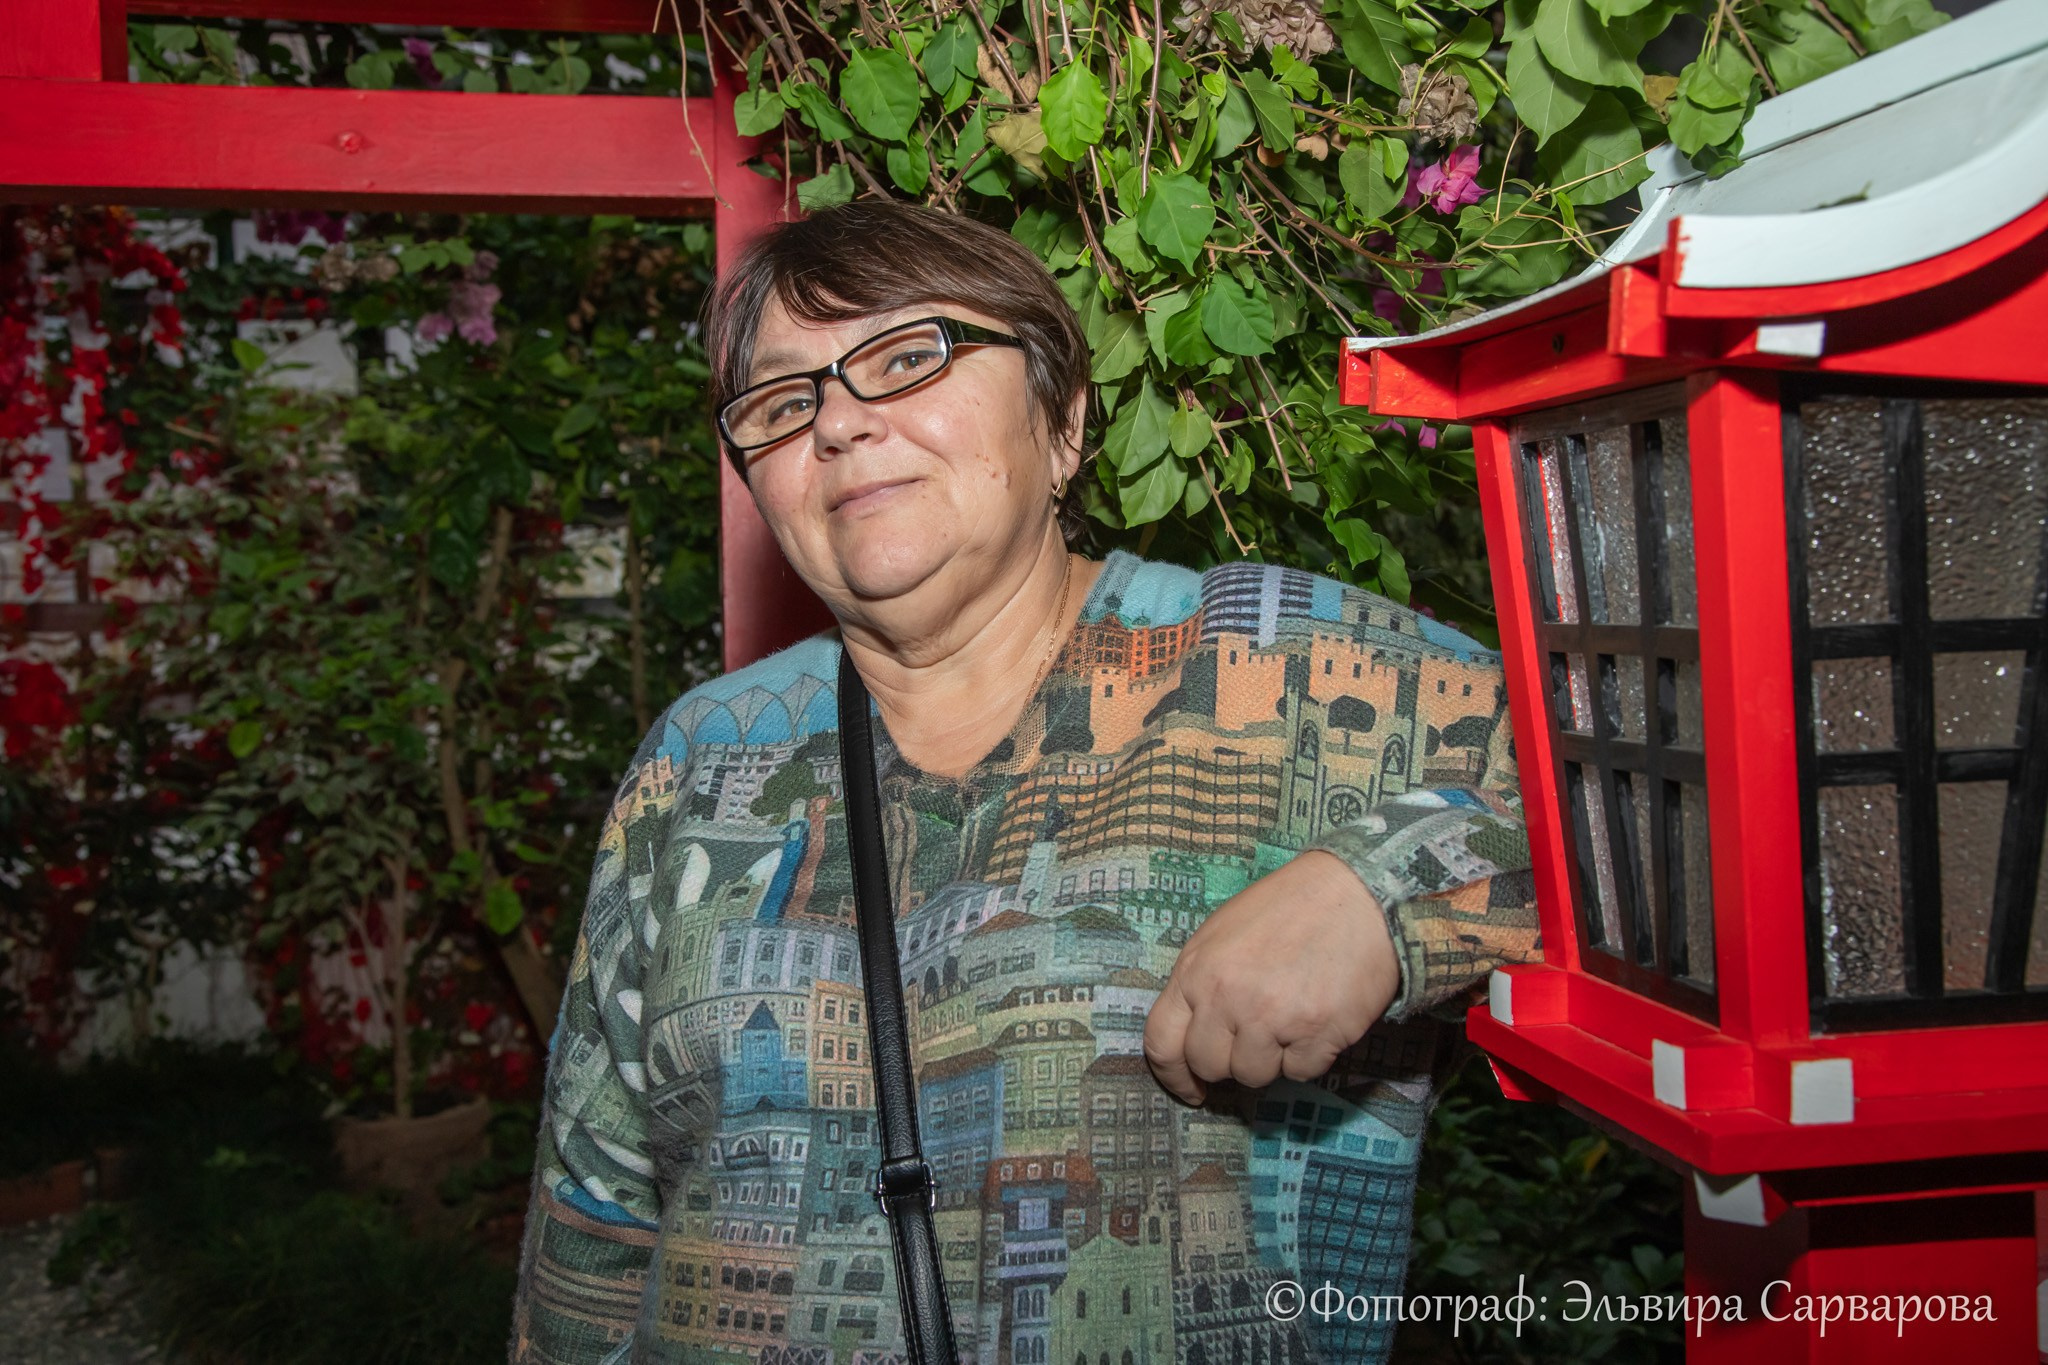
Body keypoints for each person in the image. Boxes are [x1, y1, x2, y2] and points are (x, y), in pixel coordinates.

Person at [510, 200, 1539, 1364]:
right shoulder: (703, 754)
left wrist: (1386, 888)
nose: (837, 422)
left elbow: (1673, 816)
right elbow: (592, 1215)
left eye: (907, 357)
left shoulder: (1287, 668)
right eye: (783, 404)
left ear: (1061, 422)